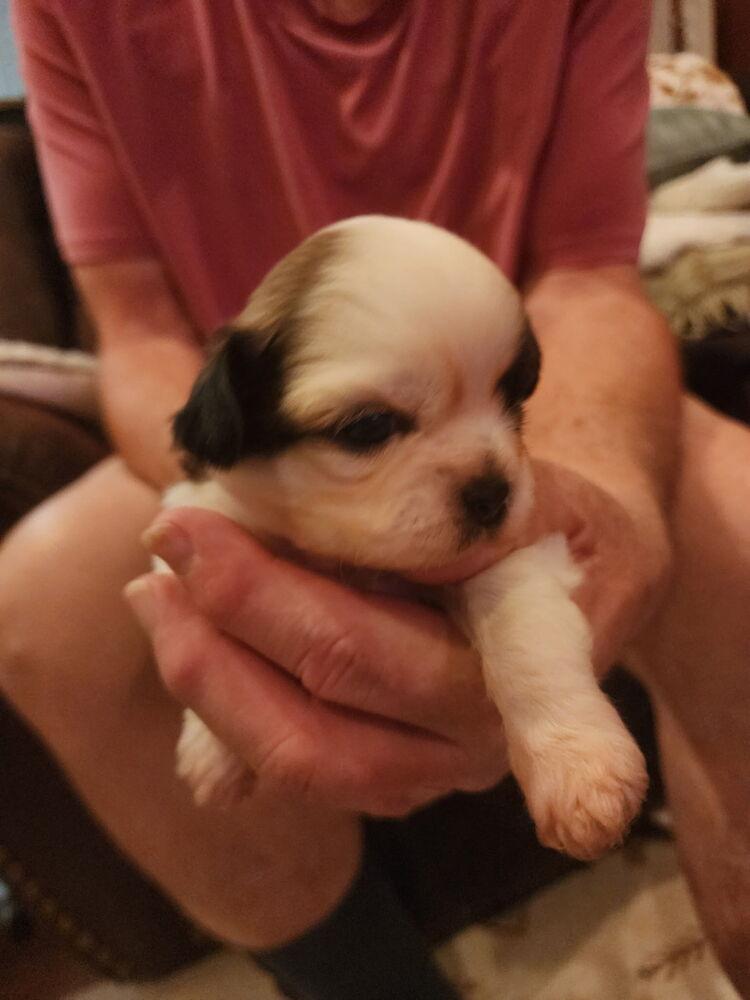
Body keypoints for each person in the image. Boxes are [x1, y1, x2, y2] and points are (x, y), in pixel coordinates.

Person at [1, 1, 749, 997]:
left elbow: (585, 274)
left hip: (556, 390)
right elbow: (137, 334)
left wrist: (597, 496)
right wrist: (249, 504)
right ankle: (363, 982)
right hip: (247, 430)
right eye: (366, 429)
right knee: (37, 612)